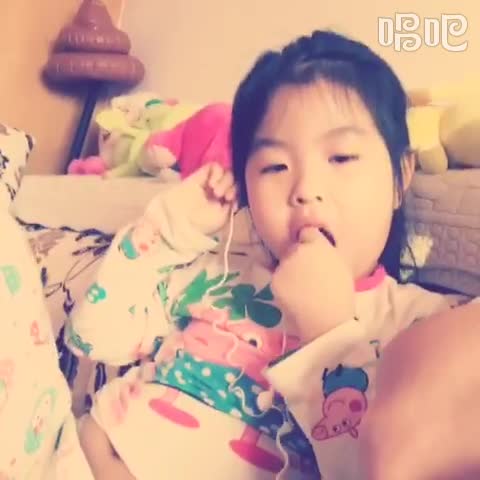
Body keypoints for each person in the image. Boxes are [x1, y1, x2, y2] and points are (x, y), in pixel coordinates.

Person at [67, 30, 477, 479]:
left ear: (401, 176)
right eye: (274, 166)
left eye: (341, 158)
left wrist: (330, 335)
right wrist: (168, 230)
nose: (305, 190)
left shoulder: (423, 327)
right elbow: (93, 339)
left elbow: (379, 467)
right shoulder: (219, 273)